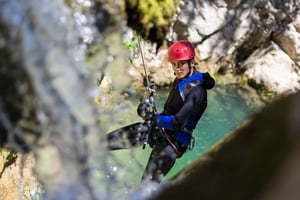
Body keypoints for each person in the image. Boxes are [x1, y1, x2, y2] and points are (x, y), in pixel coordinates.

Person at [106, 40, 215, 183]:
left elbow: (177, 122)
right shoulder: (181, 79)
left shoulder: (198, 92)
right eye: (174, 64)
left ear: (192, 62)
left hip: (173, 144)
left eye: (181, 64)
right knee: (107, 142)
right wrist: (149, 108)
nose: (177, 69)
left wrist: (153, 118)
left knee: (145, 187)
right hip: (159, 130)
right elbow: (170, 110)